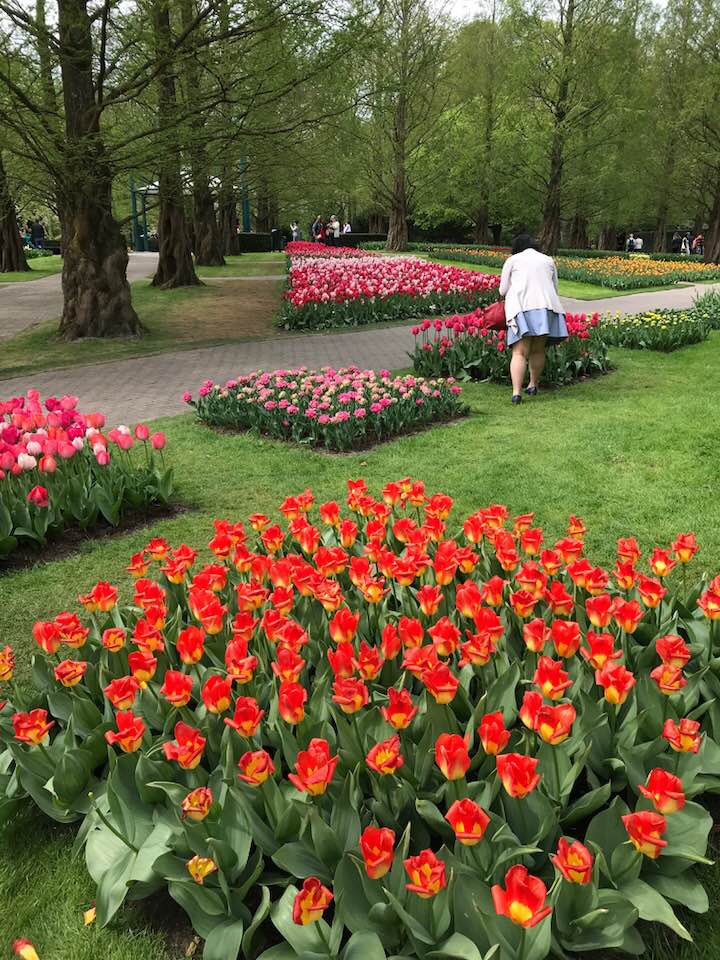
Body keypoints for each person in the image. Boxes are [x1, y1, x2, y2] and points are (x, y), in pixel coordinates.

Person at [498, 234, 568, 405]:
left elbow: (502, 290)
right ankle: (533, 384)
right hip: (546, 306)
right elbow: (555, 287)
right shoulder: (547, 260)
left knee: (520, 352)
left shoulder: (513, 260)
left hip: (521, 307)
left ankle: (516, 393)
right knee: (538, 350)